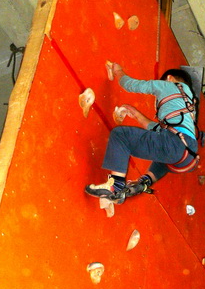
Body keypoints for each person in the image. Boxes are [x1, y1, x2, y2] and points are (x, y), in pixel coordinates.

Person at [85, 63, 199, 204]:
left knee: (121, 135)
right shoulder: (189, 107)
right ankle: (144, 182)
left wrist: (118, 71)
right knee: (164, 155)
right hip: (188, 156)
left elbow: (130, 85)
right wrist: (137, 115)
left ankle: (116, 187)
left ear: (169, 78)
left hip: (175, 144)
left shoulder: (169, 85)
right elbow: (159, 130)